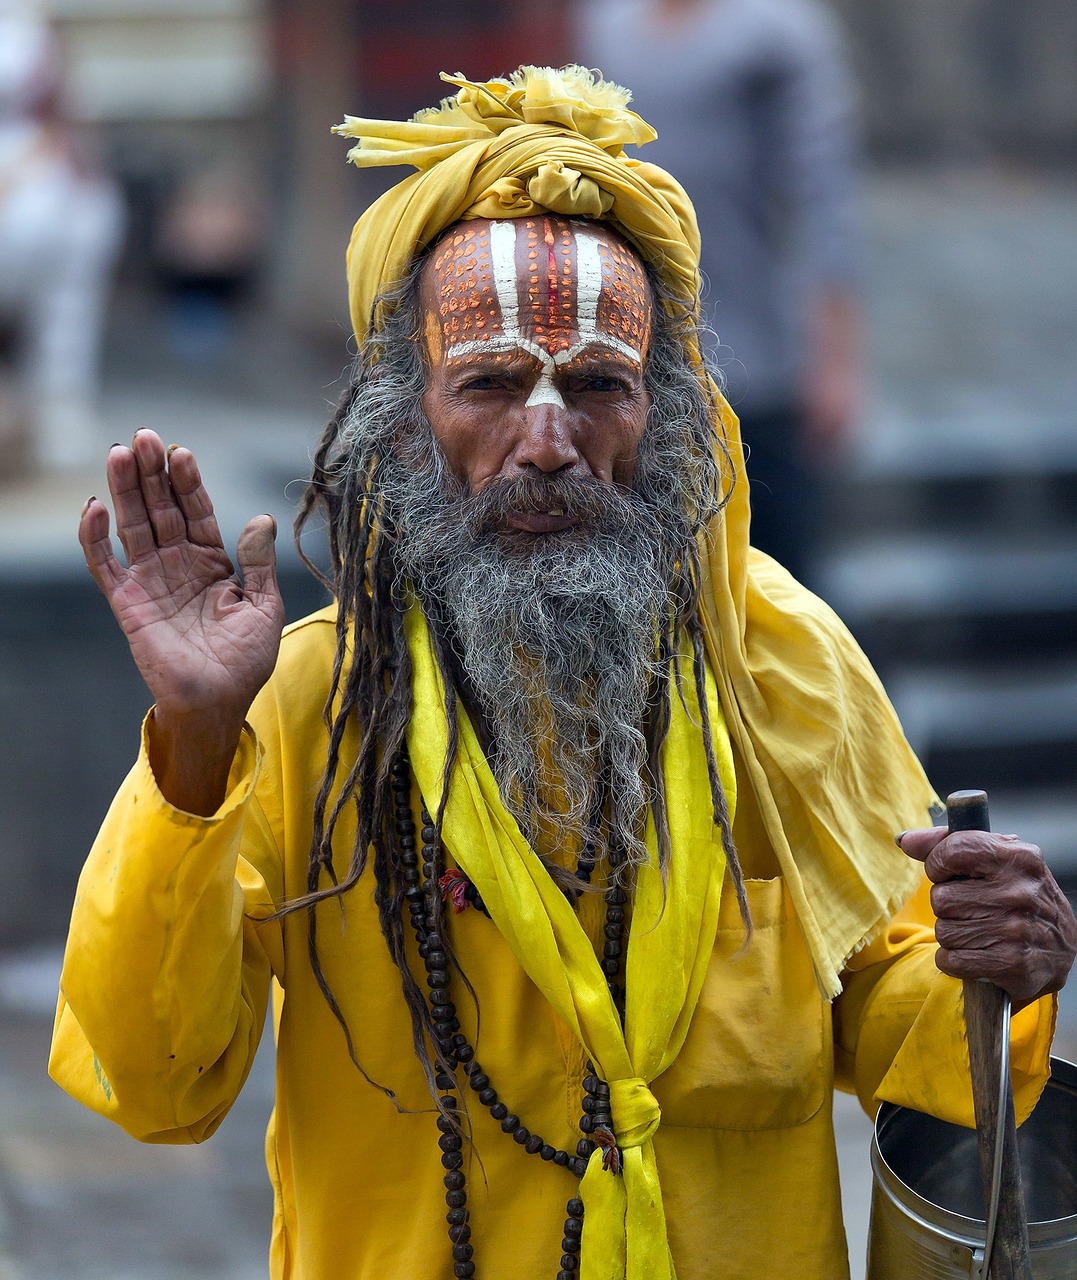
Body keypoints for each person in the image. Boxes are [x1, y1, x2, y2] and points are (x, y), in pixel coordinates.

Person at [49, 66, 1075, 1280]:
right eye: (486, 385)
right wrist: (199, 738)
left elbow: (902, 1016)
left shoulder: (780, 658)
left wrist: (998, 969)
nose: (547, 442)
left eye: (599, 385)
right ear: (406, 418)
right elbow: (157, 1085)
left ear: (671, 412)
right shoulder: (304, 697)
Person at [577, 0, 864, 586]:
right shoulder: (609, 23)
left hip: (760, 363)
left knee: (782, 580)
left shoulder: (777, 31)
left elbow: (824, 204)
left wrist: (834, 360)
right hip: (640, 360)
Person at [0, 0, 124, 473]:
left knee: (66, 314)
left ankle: (58, 415)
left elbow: (56, 109)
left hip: (48, 198)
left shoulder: (26, 24)